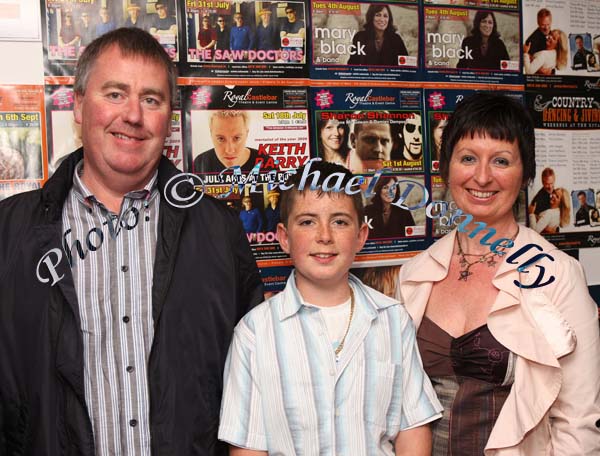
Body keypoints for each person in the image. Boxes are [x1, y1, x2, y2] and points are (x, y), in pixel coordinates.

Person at [0, 28, 263, 455]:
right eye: (115, 94)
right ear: (79, 107)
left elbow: (257, 385)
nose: (134, 115)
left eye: (152, 100)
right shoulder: (10, 234)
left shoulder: (219, 231)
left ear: (170, 120)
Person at [397, 92, 600, 455]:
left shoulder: (558, 275)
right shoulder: (416, 273)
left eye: (502, 161)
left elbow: (578, 424)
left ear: (525, 175)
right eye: (468, 158)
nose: (483, 176)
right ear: (446, 168)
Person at [219, 160, 443, 455]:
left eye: (339, 221)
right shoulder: (255, 333)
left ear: (361, 235)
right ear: (284, 237)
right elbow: (247, 446)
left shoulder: (393, 320)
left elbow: (412, 429)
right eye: (307, 221)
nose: (324, 236)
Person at [193, 110, 276, 174]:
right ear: (211, 134)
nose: (229, 150)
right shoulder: (200, 163)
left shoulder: (267, 163)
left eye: (237, 138)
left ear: (247, 133)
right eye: (221, 139)